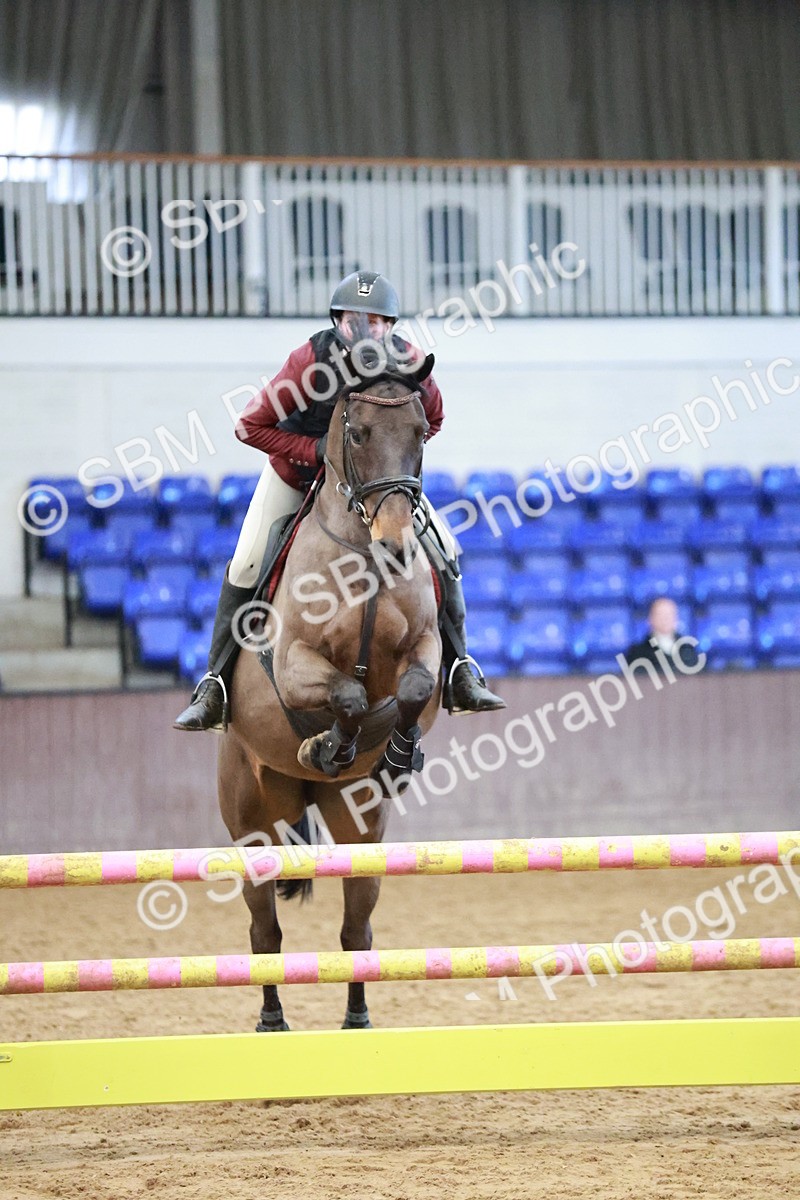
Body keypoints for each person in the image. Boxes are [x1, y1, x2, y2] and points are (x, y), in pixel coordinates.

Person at [174, 270, 506, 731]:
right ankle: (215, 685)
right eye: (354, 323)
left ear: (390, 327)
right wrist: (317, 454)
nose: (365, 334)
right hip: (298, 474)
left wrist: (386, 459)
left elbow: (433, 418)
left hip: (377, 483)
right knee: (247, 560)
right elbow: (250, 426)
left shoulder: (410, 361)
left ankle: (460, 669)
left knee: (445, 551)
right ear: (337, 322)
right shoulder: (309, 361)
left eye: (376, 324)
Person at [624, 596, 700, 674]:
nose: (665, 619)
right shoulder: (638, 652)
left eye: (670, 614)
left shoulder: (688, 649)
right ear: (650, 619)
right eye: (660, 615)